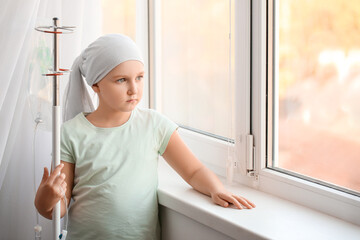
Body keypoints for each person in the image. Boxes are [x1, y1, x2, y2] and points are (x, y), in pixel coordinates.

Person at [34, 34, 255, 240]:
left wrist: (217, 189)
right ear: (96, 85)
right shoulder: (72, 133)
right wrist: (45, 199)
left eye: (139, 78)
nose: (134, 89)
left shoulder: (154, 124)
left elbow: (193, 170)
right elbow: (58, 207)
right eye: (121, 80)